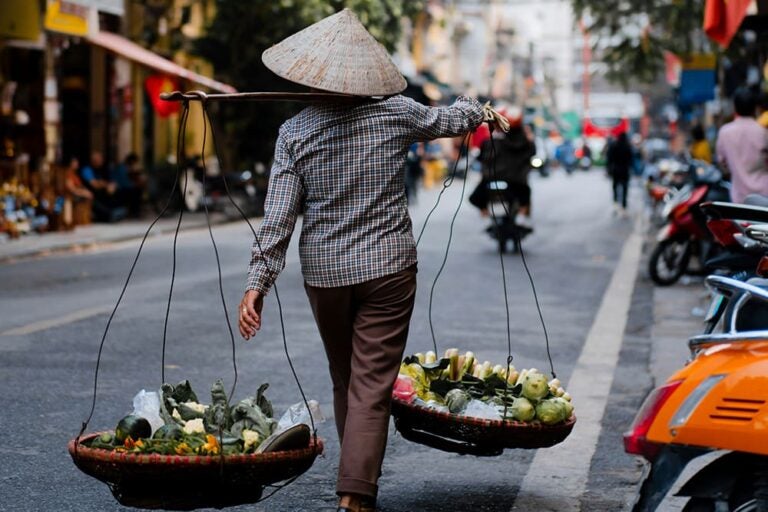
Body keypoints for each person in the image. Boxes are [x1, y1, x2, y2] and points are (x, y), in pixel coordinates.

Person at [236, 10, 504, 512]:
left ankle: (356, 477)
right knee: (371, 383)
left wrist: (258, 283)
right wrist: (478, 109)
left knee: (349, 379)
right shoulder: (396, 112)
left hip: (326, 275)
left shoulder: (294, 134)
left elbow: (277, 219)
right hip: (387, 271)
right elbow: (448, 119)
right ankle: (355, 492)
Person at [469, 108, 536, 228]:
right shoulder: (524, 141)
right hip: (514, 180)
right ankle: (521, 215)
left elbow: (480, 157)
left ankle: (486, 215)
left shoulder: (491, 141)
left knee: (475, 197)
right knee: (525, 194)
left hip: (492, 179)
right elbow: (531, 153)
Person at [716, 87, 768, 203]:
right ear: (755, 108)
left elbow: (722, 163)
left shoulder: (725, 132)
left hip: (739, 198)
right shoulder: (762, 132)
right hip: (764, 197)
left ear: (734, 108)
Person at [80, 151, 126, 222]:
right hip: (91, 196)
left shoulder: (101, 170)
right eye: (99, 160)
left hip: (100, 195)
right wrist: (106, 185)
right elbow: (94, 184)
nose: (102, 161)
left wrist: (109, 185)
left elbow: (106, 181)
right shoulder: (87, 169)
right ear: (94, 160)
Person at [605, 131, 633, 215]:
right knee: (624, 188)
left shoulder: (614, 145)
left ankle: (615, 204)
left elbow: (609, 159)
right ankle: (624, 206)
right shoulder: (628, 146)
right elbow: (631, 159)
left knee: (615, 187)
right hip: (625, 170)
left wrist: (609, 169)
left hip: (616, 170)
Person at [111, 153, 145, 218]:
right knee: (136, 191)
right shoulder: (123, 168)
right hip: (120, 189)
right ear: (132, 161)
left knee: (137, 190)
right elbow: (124, 183)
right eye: (134, 162)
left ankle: (134, 211)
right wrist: (135, 185)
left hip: (123, 188)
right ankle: (134, 212)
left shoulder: (127, 168)